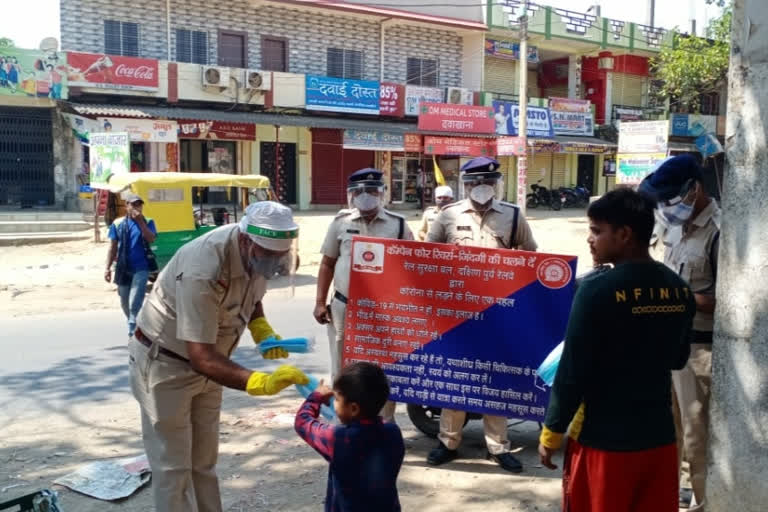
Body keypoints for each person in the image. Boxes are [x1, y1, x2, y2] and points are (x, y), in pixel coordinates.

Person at [129, 201, 309, 512]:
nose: (273, 262)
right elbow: (201, 356)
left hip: (213, 366)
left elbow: (252, 296)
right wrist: (258, 382)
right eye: (267, 254)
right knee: (173, 468)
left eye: (279, 256)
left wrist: (261, 329)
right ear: (245, 240)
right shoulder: (203, 266)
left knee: (203, 462)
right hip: (167, 364)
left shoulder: (261, 255)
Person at [537, 188, 695, 512]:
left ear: (624, 234)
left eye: (597, 231)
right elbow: (678, 358)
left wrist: (551, 432)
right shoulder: (679, 289)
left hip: (604, 440)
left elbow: (571, 373)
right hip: (659, 440)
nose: (590, 239)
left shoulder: (596, 290)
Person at [426, 156, 537, 472]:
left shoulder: (513, 216)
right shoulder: (448, 216)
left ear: (496, 185)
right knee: (456, 376)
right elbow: (426, 258)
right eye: (476, 183)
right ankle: (448, 442)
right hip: (456, 312)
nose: (482, 188)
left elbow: (530, 258)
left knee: (494, 377)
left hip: (498, 313)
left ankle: (498, 447)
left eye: (488, 183)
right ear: (467, 185)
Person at [639, 154, 720, 511]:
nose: (666, 207)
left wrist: (677, 296)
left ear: (695, 190)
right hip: (664, 346)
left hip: (700, 352)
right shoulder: (671, 224)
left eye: (672, 198)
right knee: (663, 434)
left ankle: (702, 503)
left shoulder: (721, 231)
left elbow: (727, 301)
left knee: (696, 437)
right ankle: (665, 500)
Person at [314, 168, 414, 422]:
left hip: (384, 312)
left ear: (381, 193)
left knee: (383, 367)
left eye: (371, 191)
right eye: (359, 192)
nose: (365, 196)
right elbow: (327, 263)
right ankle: (345, 423)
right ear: (351, 195)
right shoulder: (340, 223)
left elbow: (412, 266)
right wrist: (319, 302)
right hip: (344, 306)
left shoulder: (398, 224)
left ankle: (382, 424)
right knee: (343, 367)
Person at [295, 362, 405, 512]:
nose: (335, 405)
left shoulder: (339, 438)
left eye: (337, 400)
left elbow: (302, 422)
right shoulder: (393, 432)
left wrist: (316, 397)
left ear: (353, 408)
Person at [105, 194, 157, 337]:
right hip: (122, 268)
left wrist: (140, 222)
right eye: (133, 205)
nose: (136, 207)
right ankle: (136, 324)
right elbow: (113, 247)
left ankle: (132, 332)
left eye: (139, 205)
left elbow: (151, 238)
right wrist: (107, 268)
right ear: (127, 206)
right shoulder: (118, 223)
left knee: (135, 301)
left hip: (141, 267)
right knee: (124, 302)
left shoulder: (148, 221)